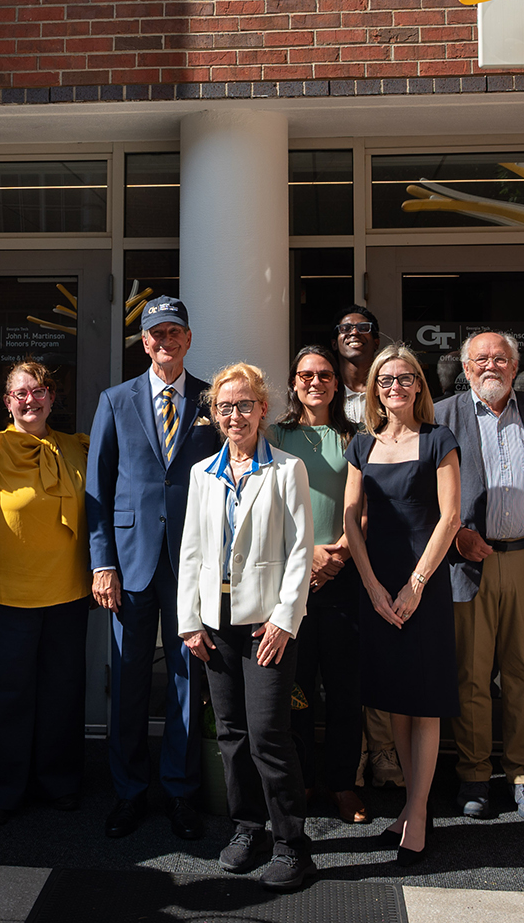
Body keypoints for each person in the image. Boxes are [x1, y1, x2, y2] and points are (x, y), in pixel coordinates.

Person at [84, 296, 220, 841]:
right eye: (156, 335)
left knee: (189, 681)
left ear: (188, 340)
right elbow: (98, 487)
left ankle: (181, 793)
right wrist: (102, 563)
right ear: (144, 343)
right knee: (131, 680)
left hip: (191, 565)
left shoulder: (214, 400)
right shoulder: (115, 400)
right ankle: (129, 792)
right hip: (131, 563)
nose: (166, 343)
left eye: (175, 334)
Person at [180, 362, 316, 892]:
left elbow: (301, 552)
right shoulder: (201, 475)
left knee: (268, 736)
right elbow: (191, 552)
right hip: (215, 628)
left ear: (263, 409)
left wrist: (285, 620)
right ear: (214, 416)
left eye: (244, 405)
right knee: (232, 735)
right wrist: (191, 623)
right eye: (224, 407)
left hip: (266, 627)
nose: (234, 415)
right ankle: (248, 827)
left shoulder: (287, 470)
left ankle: (291, 843)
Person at [433, 330, 524, 822]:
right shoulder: (442, 415)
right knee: (471, 673)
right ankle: (473, 775)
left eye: (501, 358)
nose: (491, 365)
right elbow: (424, 491)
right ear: (466, 369)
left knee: (523, 673)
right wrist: (457, 536)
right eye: (480, 359)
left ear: (516, 366)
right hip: (469, 560)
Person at [0, 361, 91, 823]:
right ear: (7, 401)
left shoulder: (79, 448)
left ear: (53, 397)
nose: (31, 400)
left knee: (61, 695)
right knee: (1, 698)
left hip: (68, 595)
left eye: (40, 391)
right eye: (20, 393)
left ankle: (57, 782)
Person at [343, 345, 461, 863]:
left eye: (405, 378)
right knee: (394, 697)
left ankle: (417, 812)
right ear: (374, 388)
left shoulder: (439, 439)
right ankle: (414, 808)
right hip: (378, 579)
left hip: (424, 580)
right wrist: (371, 585)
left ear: (418, 385)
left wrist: (415, 584)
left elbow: (451, 516)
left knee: (425, 700)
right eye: (385, 380)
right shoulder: (361, 444)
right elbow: (351, 519)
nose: (395, 387)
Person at [269, 346, 367, 825]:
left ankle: (343, 784)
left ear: (337, 382)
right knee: (297, 689)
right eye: (305, 375)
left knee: (346, 689)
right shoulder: (275, 436)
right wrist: (308, 556)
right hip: (292, 577)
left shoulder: (356, 437)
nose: (315, 382)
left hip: (345, 578)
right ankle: (303, 780)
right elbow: (265, 507)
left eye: (324, 374)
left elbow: (367, 504)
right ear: (293, 382)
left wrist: (339, 554)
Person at [330, 305, 401, 790]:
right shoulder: (324, 392)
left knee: (378, 655)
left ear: (376, 340)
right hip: (334, 550)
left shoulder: (390, 394)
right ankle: (348, 762)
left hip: (382, 546)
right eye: (345, 329)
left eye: (363, 329)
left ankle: (384, 752)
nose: (354, 335)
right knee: (340, 665)